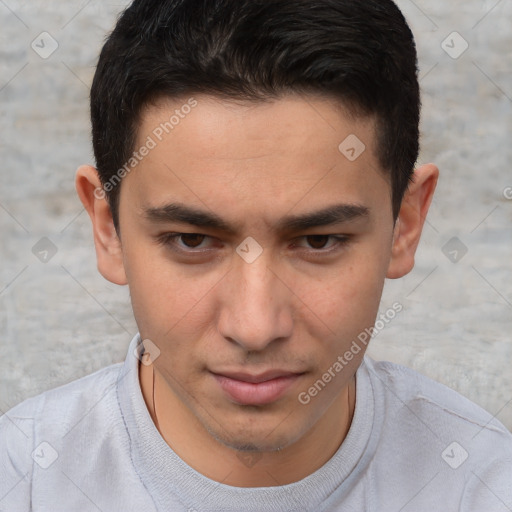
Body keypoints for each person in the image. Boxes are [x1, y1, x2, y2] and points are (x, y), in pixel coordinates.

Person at [1, 0, 511, 510]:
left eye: (318, 241)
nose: (255, 327)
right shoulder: (21, 481)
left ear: (405, 224)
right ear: (107, 227)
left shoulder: (483, 483)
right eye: (192, 240)